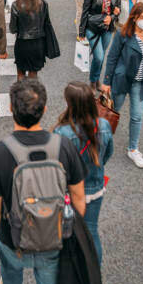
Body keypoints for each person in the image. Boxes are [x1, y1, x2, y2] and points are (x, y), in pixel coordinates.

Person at [0, 78, 87, 284]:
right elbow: (79, 197)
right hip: (53, 237)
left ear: (10, 108)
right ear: (44, 109)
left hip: (13, 241)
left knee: (10, 280)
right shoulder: (63, 147)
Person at [53, 81, 113, 266]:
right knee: (91, 231)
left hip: (69, 192)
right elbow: (107, 154)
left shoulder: (62, 132)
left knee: (66, 230)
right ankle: (94, 271)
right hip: (95, 188)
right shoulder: (103, 125)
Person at [102, 2, 143, 169]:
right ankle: (102, 142)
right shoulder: (123, 34)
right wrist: (106, 81)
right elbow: (112, 57)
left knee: (137, 116)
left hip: (141, 82)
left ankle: (133, 149)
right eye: (142, 17)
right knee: (113, 112)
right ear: (134, 18)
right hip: (122, 79)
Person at [79, 0, 121, 90]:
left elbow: (118, 10)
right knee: (99, 56)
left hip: (108, 28)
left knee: (101, 56)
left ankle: (96, 79)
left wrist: (112, 17)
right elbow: (85, 12)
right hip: (92, 28)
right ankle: (93, 81)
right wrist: (81, 32)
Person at [10, 0, 49, 79]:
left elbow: (12, 29)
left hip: (22, 42)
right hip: (38, 43)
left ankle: (20, 94)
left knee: (20, 73)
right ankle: (32, 94)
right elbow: (45, 23)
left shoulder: (16, 5)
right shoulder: (42, 3)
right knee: (33, 73)